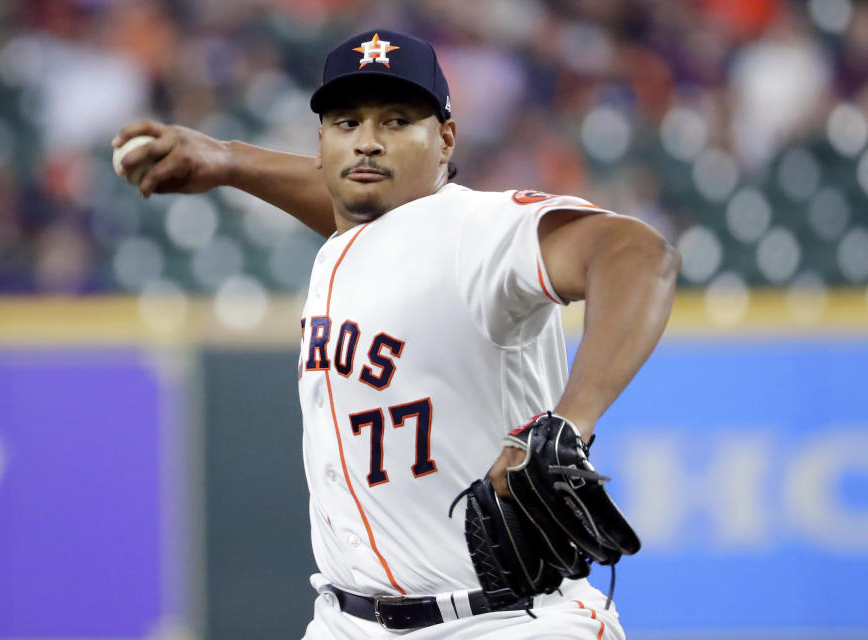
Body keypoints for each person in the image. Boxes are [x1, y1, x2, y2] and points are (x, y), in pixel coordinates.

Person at [114, 29, 680, 640]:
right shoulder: (354, 231)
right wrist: (228, 160)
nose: (368, 144)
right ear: (322, 140)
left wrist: (571, 421)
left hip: (505, 623)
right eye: (346, 123)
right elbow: (352, 201)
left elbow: (639, 254)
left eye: (396, 121)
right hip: (345, 621)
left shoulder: (479, 229)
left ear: (445, 139)